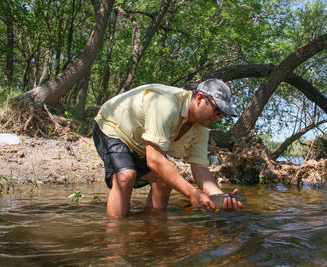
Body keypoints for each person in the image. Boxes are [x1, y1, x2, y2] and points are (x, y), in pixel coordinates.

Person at [92, 78, 242, 217]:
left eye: (223, 114)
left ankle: (153, 232)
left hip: (144, 143)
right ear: (200, 98)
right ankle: (116, 236)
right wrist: (192, 194)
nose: (218, 117)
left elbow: (200, 169)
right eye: (217, 110)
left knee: (164, 183)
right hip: (113, 127)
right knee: (125, 176)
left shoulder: (201, 130)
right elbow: (155, 160)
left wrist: (222, 199)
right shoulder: (165, 103)